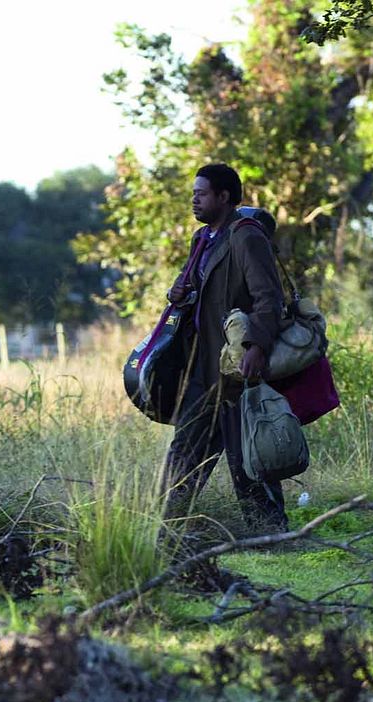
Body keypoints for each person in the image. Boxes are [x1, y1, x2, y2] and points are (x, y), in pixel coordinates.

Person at [160, 163, 289, 532]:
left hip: (236, 368)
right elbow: (199, 292)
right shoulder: (202, 238)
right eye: (194, 194)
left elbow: (269, 298)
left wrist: (255, 347)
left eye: (201, 194)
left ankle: (271, 534)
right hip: (200, 363)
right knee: (187, 447)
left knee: (248, 456)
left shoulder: (246, 236)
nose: (194, 200)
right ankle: (165, 527)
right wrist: (178, 294)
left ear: (224, 196)